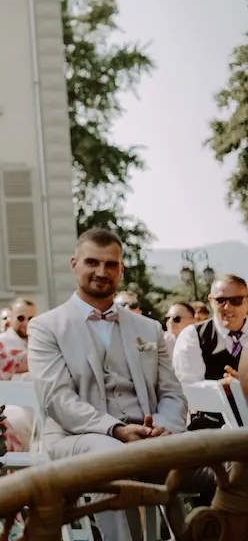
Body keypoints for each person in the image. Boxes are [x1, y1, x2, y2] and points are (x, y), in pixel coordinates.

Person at [27, 228, 187, 541]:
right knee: (112, 457)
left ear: (121, 270)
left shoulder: (149, 328)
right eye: (92, 262)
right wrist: (115, 429)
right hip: (76, 438)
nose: (102, 272)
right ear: (74, 264)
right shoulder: (46, 327)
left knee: (222, 462)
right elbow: (58, 401)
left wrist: (164, 428)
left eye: (111, 265)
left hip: (150, 438)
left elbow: (172, 394)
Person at [172, 274, 247, 428]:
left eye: (236, 300)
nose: (228, 307)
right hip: (209, 428)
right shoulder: (193, 335)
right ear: (211, 301)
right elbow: (186, 387)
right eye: (221, 301)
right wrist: (222, 387)